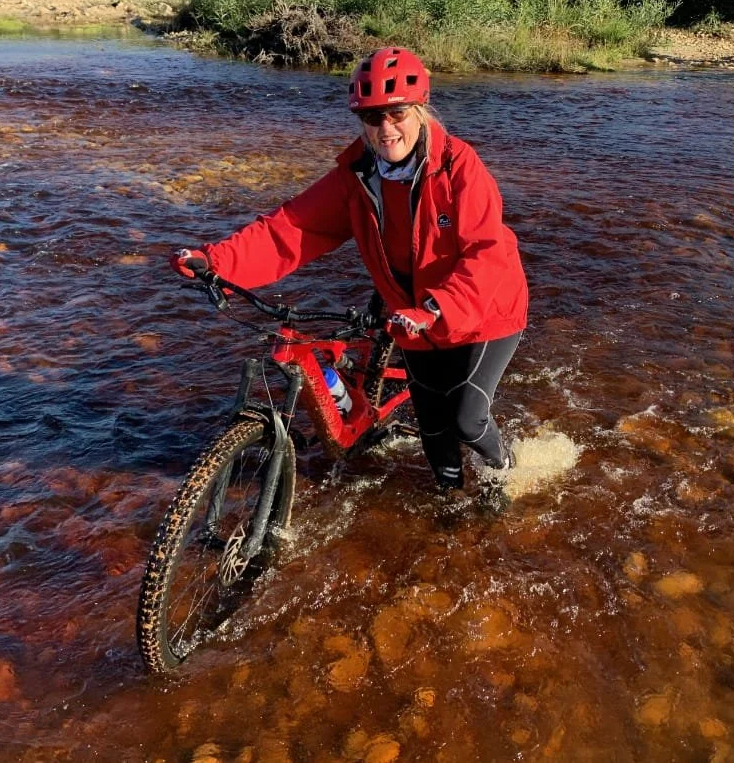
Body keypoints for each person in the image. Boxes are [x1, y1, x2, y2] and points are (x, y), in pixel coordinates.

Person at [170, 46, 528, 499]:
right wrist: (214, 261)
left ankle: (507, 473)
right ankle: (450, 504)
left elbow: (486, 252)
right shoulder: (356, 176)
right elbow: (291, 229)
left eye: (396, 114)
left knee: (465, 417)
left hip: (484, 311)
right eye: (372, 117)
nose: (385, 128)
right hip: (410, 315)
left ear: (419, 110)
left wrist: (438, 309)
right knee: (433, 429)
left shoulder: (459, 167)